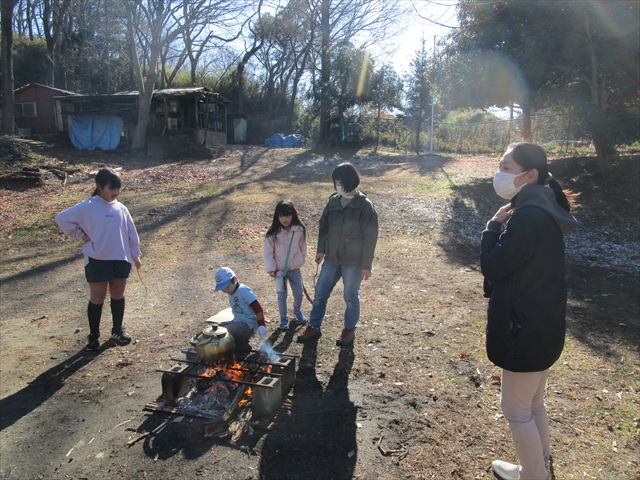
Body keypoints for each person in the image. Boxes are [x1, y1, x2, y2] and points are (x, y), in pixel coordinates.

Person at [481, 142, 578, 480]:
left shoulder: (528, 217)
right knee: (534, 404)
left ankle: (534, 476)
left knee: (516, 410)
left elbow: (493, 266)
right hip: (544, 326)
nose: (500, 173)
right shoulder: (543, 211)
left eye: (506, 167)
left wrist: (492, 227)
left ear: (530, 175)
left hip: (524, 330)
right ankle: (538, 467)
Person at [55, 168, 142, 351]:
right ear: (99, 187)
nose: (115, 193)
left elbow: (131, 234)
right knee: (97, 297)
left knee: (118, 294)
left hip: (121, 258)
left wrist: (135, 256)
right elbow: (61, 218)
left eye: (118, 188)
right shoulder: (88, 206)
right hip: (98, 258)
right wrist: (81, 235)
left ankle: (117, 330)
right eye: (111, 188)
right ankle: (93, 336)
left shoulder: (121, 208)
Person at [297, 162, 378, 346]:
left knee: (350, 296)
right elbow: (323, 226)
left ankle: (349, 330)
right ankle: (314, 326)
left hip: (354, 262)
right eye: (335, 182)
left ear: (349, 181)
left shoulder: (364, 206)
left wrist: (366, 265)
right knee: (320, 292)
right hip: (332, 258)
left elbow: (370, 237)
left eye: (339, 182)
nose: (337, 185)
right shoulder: (333, 201)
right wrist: (321, 249)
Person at [263, 200, 308, 330]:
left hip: (294, 269)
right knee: (281, 295)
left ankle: (297, 311)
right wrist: (271, 268)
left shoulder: (299, 230)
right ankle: (283, 318)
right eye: (281, 216)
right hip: (279, 271)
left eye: (287, 215)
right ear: (277, 216)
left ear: (293, 214)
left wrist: (300, 260)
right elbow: (268, 251)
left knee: (299, 293)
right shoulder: (273, 232)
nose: (284, 219)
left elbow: (303, 247)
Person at [213, 267, 268, 345]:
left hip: (248, 324)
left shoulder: (243, 290)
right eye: (222, 288)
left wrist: (261, 325)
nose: (225, 290)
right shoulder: (231, 292)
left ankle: (234, 343)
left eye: (227, 287)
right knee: (217, 327)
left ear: (235, 279)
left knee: (225, 331)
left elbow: (257, 308)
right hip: (237, 321)